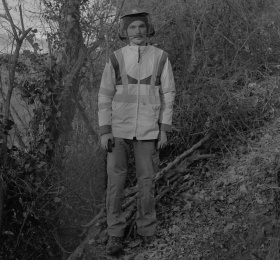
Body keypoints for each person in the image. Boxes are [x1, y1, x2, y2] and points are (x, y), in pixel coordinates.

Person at [98, 8, 176, 255]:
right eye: (132, 27)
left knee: (146, 181)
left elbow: (169, 94)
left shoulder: (161, 57)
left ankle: (147, 230)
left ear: (148, 29)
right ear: (125, 31)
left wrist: (163, 129)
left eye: (141, 26)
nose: (137, 31)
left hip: (148, 129)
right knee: (116, 182)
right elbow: (104, 96)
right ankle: (115, 234)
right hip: (118, 130)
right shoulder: (116, 57)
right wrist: (104, 131)